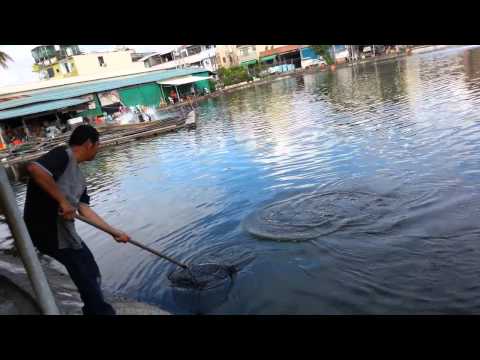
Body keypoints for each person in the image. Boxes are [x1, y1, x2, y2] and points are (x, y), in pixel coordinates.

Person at [23, 125, 131, 315]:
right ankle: (98, 311)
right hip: (47, 231)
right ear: (89, 143)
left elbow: (85, 210)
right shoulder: (62, 155)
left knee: (88, 267)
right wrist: (63, 201)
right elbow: (35, 169)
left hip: (63, 233)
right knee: (85, 271)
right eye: (98, 145)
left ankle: (94, 309)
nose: (99, 149)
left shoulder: (79, 178)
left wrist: (114, 232)